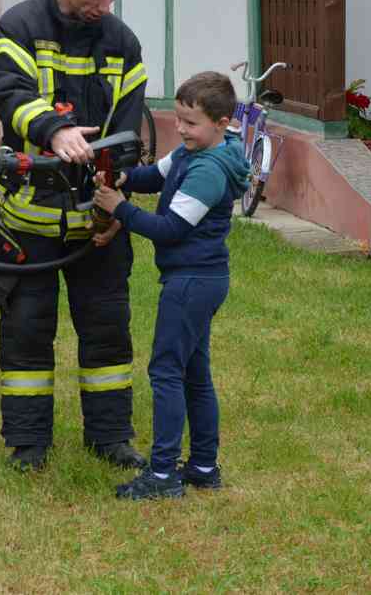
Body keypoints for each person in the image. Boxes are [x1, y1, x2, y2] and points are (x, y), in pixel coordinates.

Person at [0, 0, 149, 472]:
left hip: (97, 222)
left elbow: (127, 133)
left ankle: (111, 438)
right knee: (26, 333)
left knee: (108, 330)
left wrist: (116, 209)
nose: (105, 7)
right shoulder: (19, 28)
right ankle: (28, 445)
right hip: (28, 223)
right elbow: (9, 93)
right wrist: (55, 130)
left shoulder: (122, 43)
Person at [92, 72, 249, 500]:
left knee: (165, 372)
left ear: (221, 123)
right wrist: (124, 179)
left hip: (192, 282)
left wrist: (119, 209)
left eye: (190, 122)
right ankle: (203, 467)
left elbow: (170, 229)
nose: (180, 129)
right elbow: (154, 176)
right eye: (178, 119)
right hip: (201, 279)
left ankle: (162, 475)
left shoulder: (208, 172)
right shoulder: (193, 152)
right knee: (194, 373)